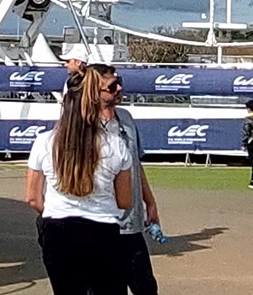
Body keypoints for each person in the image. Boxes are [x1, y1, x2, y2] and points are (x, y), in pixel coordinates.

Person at [25, 64, 133, 295]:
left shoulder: (44, 142)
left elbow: (32, 198)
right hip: (102, 231)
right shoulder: (115, 144)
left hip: (58, 231)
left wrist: (58, 208)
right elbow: (125, 201)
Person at [89, 64, 161, 295]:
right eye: (111, 86)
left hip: (131, 227)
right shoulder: (83, 127)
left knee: (146, 287)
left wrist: (150, 202)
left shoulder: (127, 119)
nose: (119, 88)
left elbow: (135, 164)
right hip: (97, 228)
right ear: (94, 91)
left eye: (119, 83)